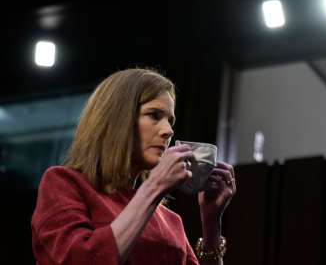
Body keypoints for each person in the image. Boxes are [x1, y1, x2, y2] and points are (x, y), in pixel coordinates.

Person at [31, 68, 236, 265]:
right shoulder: (64, 184)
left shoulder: (169, 220)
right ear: (117, 119)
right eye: (154, 115)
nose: (168, 131)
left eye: (170, 121)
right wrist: (154, 187)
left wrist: (211, 224)